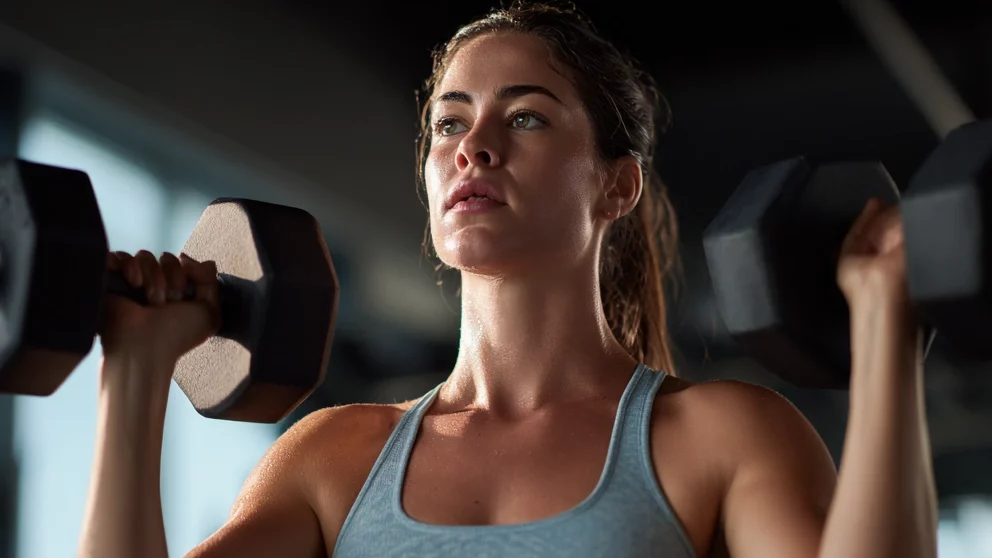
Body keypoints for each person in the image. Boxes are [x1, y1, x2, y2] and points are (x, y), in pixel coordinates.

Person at [78, 2, 938, 557]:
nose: (472, 147)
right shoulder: (335, 457)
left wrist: (886, 332)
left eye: (524, 116)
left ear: (616, 184)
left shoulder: (719, 437)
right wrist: (137, 370)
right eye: (449, 123)